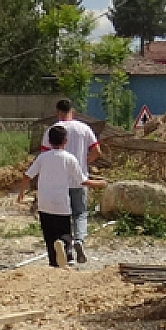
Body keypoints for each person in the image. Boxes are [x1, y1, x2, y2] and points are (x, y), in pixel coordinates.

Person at [18, 124, 104, 267]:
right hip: (61, 203)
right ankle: (65, 248)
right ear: (65, 141)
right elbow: (83, 181)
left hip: (44, 203)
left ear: (49, 141)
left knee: (49, 235)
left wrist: (21, 193)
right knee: (65, 232)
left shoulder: (42, 158)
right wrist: (101, 183)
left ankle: (54, 263)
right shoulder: (70, 159)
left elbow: (27, 176)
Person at [39, 99, 102, 263]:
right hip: (80, 180)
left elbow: (44, 155)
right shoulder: (84, 128)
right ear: (72, 111)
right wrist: (84, 162)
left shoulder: (52, 130)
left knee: (63, 218)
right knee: (80, 213)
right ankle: (79, 241)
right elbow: (97, 151)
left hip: (59, 182)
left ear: (58, 112)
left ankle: (67, 251)